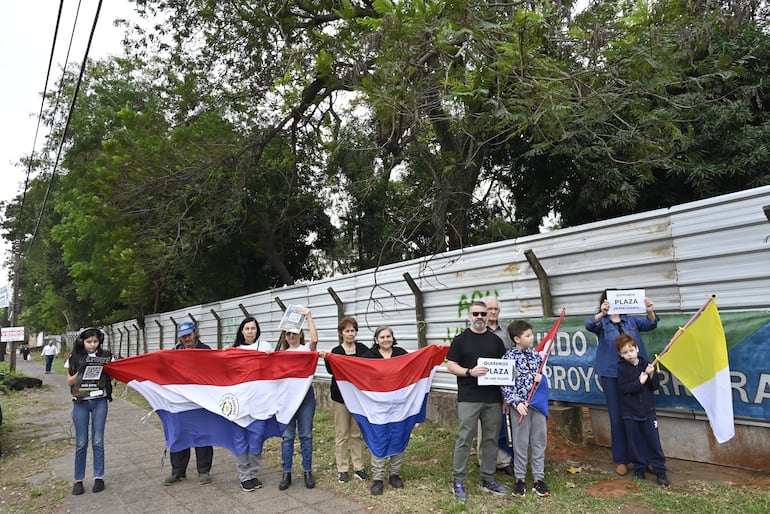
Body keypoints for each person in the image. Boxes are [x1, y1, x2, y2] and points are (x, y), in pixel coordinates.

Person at [585, 289, 659, 476]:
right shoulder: (602, 323)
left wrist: (649, 310)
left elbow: (651, 324)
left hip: (636, 372)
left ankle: (646, 459)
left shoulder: (632, 320)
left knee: (641, 415)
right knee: (617, 417)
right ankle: (621, 459)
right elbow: (589, 325)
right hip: (611, 375)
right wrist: (602, 313)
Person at [446, 300, 508, 501]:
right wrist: (469, 372)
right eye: (476, 314)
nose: (480, 317)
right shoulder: (460, 340)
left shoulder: (496, 341)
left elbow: (504, 371)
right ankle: (458, 481)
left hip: (493, 399)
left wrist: (505, 398)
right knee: (464, 439)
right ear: (469, 316)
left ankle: (488, 478)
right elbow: (451, 365)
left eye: (483, 313)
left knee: (491, 439)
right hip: (469, 397)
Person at [502, 320, 550, 498]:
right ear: (517, 339)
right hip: (520, 407)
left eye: (532, 334)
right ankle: (520, 479)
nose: (532, 338)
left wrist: (541, 379)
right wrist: (515, 401)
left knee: (539, 441)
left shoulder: (537, 356)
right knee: (521, 443)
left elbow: (544, 380)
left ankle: (539, 478)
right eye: (528, 336)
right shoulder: (508, 358)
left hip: (537, 405)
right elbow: (506, 383)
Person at [163, 321, 214, 486]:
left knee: (203, 435)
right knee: (178, 435)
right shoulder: (173, 353)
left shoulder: (206, 351)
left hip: (201, 401)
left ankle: (204, 470)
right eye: (183, 336)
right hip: (180, 402)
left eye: (189, 335)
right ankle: (178, 471)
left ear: (195, 333)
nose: (187, 338)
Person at [615, 333, 669, 487]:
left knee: (653, 441)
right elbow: (624, 388)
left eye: (631, 350)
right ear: (620, 354)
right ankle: (640, 468)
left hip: (648, 412)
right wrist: (639, 382)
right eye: (625, 352)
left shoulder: (646, 365)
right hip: (630, 413)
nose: (629, 355)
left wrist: (652, 375)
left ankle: (660, 470)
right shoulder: (621, 368)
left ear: (637, 349)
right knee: (635, 442)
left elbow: (655, 386)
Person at [65, 328, 113, 495]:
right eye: (89, 342)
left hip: (99, 401)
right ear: (82, 342)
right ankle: (79, 479)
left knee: (98, 440)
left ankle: (98, 477)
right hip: (81, 403)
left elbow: (113, 374)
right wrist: (82, 369)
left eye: (95, 341)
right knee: (81, 442)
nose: (92, 345)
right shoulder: (74, 357)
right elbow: (69, 381)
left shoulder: (106, 355)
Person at [363, 326, 408, 495]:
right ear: (376, 340)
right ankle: (378, 478)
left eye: (388, 336)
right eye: (382, 337)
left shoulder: (401, 353)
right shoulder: (369, 357)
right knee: (379, 438)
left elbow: (414, 365)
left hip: (399, 404)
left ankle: (395, 475)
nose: (386, 339)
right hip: (378, 405)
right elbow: (358, 372)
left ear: (392, 338)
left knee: (398, 436)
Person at [323, 316, 369, 483]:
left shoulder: (363, 349)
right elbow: (331, 371)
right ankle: (342, 469)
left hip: (358, 398)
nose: (350, 334)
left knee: (357, 434)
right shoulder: (336, 352)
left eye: (352, 331)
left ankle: (359, 467)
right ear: (341, 333)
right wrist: (327, 358)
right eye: (347, 331)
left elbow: (371, 366)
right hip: (340, 398)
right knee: (342, 433)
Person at [230, 316, 273, 491]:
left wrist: (271, 357)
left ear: (257, 330)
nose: (250, 331)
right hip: (240, 402)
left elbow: (275, 366)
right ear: (242, 331)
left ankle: (254, 473)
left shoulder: (265, 347)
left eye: (253, 328)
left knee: (256, 439)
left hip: (260, 402)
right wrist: (225, 353)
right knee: (240, 439)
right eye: (247, 328)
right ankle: (244, 476)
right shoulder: (234, 350)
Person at [278, 307, 318, 491]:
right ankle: (286, 473)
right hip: (286, 400)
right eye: (288, 334)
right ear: (285, 337)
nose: (291, 336)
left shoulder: (306, 350)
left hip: (305, 399)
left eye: (294, 333)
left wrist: (309, 316)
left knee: (306, 435)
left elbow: (315, 340)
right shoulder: (280, 355)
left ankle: (307, 471)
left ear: (300, 334)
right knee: (287, 437)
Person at [477, 297, 515, 476]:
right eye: (489, 309)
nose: (493, 312)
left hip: (503, 382)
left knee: (503, 423)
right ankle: (485, 461)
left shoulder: (507, 331)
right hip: (482, 384)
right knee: (484, 424)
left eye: (496, 309)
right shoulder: (476, 331)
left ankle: (505, 460)